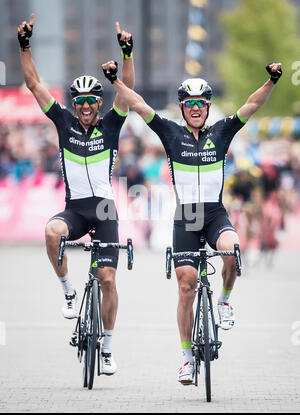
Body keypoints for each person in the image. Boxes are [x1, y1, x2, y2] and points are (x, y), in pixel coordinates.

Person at [101, 59, 282, 384]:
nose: (195, 108)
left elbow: (251, 105)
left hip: (214, 214)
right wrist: (115, 80)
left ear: (207, 107)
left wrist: (271, 81)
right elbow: (139, 105)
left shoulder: (221, 132)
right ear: (183, 108)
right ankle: (186, 359)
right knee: (186, 287)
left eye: (201, 104)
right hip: (186, 216)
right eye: (190, 104)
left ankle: (225, 302)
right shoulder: (171, 133)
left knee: (232, 249)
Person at [18, 14, 135, 376]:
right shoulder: (64, 122)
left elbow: (128, 93)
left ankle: (109, 348)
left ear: (99, 103)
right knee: (52, 232)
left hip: (104, 210)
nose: (85, 106)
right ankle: (68, 291)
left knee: (108, 280)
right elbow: (35, 84)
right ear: (74, 102)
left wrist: (126, 54)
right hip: (75, 210)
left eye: (91, 101)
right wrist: (24, 45)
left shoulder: (112, 124)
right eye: (80, 101)